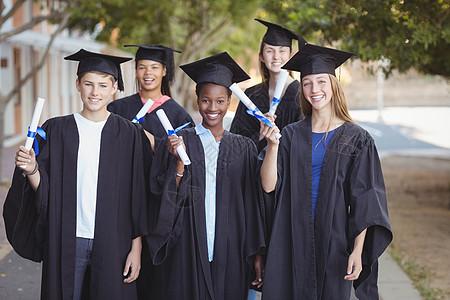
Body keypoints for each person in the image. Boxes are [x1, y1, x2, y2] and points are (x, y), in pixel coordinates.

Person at [3, 49, 148, 300]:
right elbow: (45, 190)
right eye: (89, 84)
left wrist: (136, 248)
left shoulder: (129, 134)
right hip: (67, 237)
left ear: (114, 88)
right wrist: (32, 170)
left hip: (114, 239)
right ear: (78, 85)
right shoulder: (56, 129)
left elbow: (136, 195)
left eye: (103, 85)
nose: (95, 92)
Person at [259, 44, 393, 299]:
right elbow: (268, 185)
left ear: (334, 83)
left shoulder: (357, 139)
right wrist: (272, 146)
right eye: (307, 83)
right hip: (290, 236)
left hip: (335, 239)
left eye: (321, 81)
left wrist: (357, 250)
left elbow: (365, 197)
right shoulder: (289, 135)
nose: (314, 90)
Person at [147, 52, 266, 300]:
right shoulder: (180, 141)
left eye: (220, 101)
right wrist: (178, 163)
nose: (212, 108)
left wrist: (257, 253)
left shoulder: (244, 147)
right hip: (187, 245)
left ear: (229, 101)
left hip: (232, 246)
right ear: (197, 100)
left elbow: (252, 204)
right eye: (206, 101)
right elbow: (164, 198)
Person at [230, 19, 306, 152]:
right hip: (254, 170)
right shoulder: (251, 95)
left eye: (282, 51)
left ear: (291, 56)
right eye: (270, 51)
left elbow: (304, 142)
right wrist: (261, 133)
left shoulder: (302, 95)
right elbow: (236, 142)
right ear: (261, 57)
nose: (276, 57)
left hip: (288, 170)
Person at [107, 44, 193, 150]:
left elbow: (182, 156)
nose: (148, 72)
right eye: (142, 67)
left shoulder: (179, 116)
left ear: (164, 71)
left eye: (154, 67)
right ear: (136, 71)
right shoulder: (118, 108)